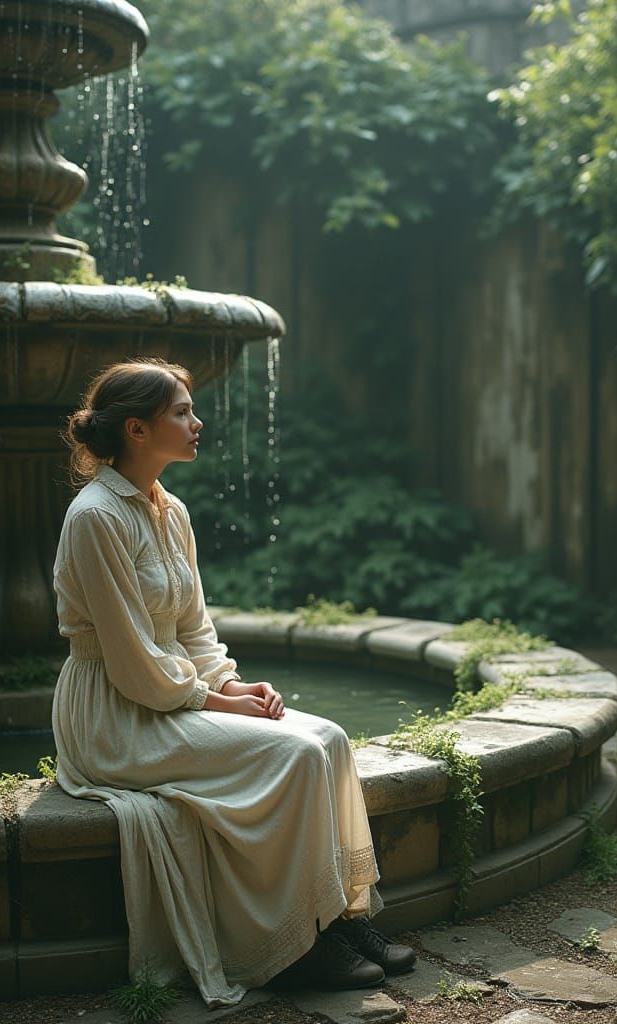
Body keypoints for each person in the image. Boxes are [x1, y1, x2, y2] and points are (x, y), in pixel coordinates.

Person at [52, 357, 415, 1007]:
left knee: (328, 738)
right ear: (137, 430)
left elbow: (194, 630)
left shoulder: (170, 510)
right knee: (297, 754)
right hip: (117, 715)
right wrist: (211, 699)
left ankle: (337, 917)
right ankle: (290, 949)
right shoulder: (96, 517)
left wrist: (233, 683)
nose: (197, 422)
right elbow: (132, 659)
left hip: (171, 692)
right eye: (182, 412)